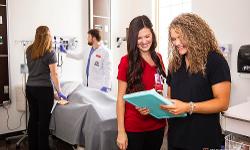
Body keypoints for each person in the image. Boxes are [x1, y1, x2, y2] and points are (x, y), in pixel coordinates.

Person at [160, 13, 231, 150]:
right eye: (174, 39)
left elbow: (223, 103)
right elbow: (170, 99)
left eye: (181, 37)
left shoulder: (215, 61)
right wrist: (153, 106)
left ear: (195, 34)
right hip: (176, 138)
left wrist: (188, 107)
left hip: (203, 139)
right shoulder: (174, 64)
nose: (177, 43)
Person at [116, 15, 167, 150]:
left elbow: (159, 90)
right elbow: (120, 99)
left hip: (157, 125)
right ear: (133, 39)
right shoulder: (126, 62)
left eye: (147, 36)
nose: (144, 41)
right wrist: (121, 132)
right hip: (135, 128)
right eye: (139, 38)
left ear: (153, 35)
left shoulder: (159, 58)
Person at [26, 26, 67, 150]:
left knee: (33, 118)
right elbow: (54, 74)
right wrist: (59, 91)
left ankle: (33, 147)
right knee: (44, 121)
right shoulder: (50, 52)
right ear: (48, 36)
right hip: (44, 89)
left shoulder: (29, 50)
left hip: (30, 88)